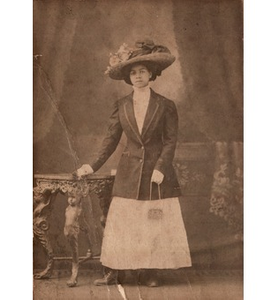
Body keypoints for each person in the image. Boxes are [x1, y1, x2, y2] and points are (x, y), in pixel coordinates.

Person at [76, 39, 192, 287]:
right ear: (128, 78)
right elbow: (110, 141)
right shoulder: (121, 106)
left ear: (151, 74)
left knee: (152, 223)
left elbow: (171, 141)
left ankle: (149, 272)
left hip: (156, 174)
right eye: (133, 72)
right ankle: (116, 271)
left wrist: (161, 167)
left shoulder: (165, 105)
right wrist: (91, 166)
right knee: (125, 223)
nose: (138, 76)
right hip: (128, 174)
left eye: (142, 71)